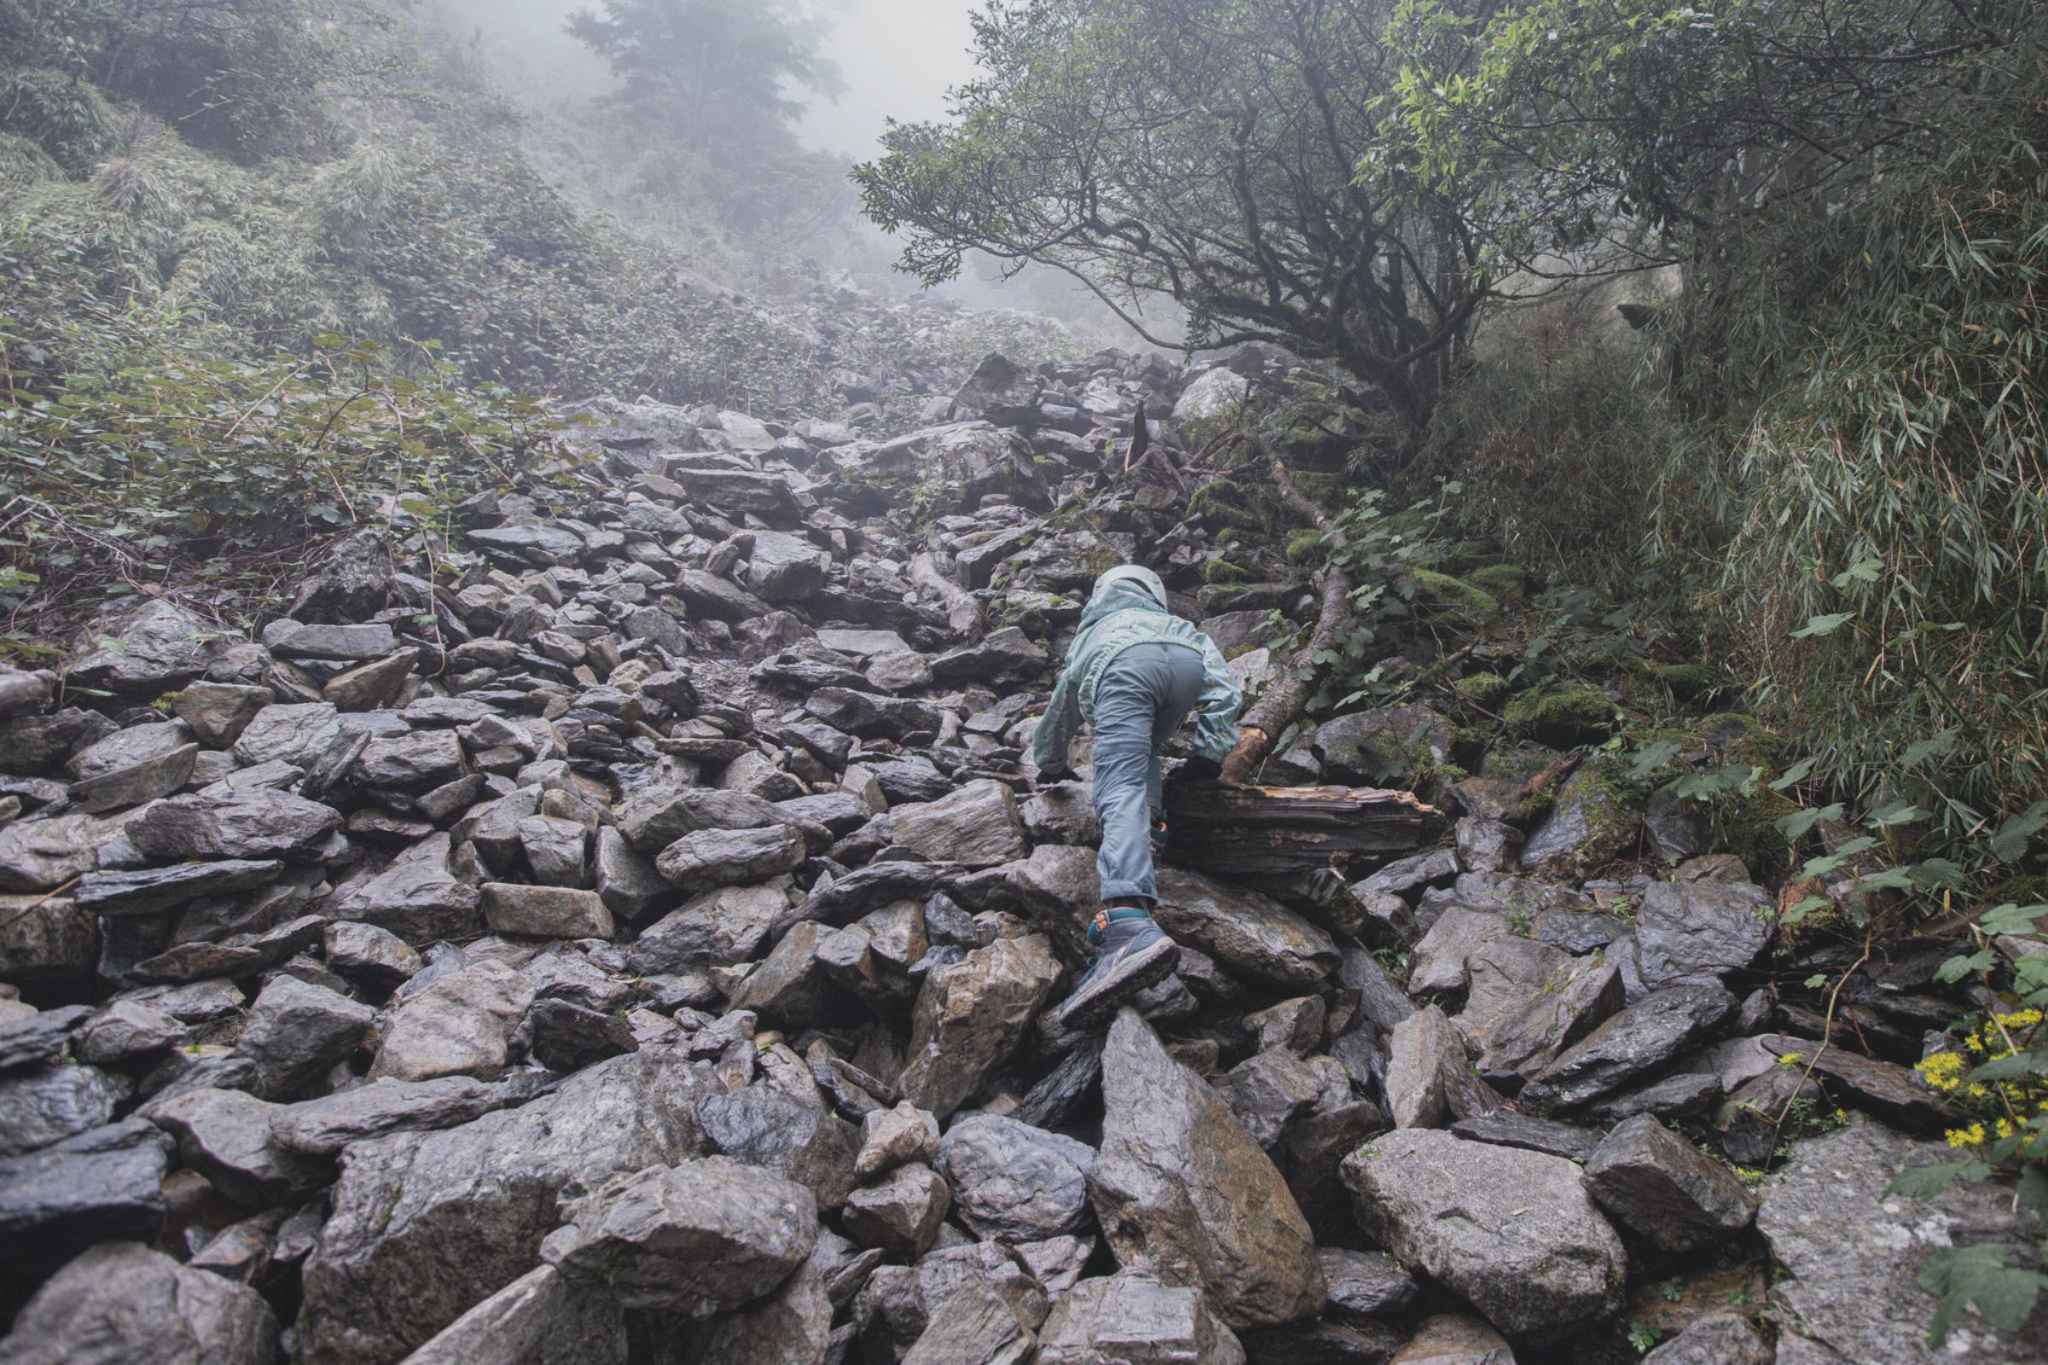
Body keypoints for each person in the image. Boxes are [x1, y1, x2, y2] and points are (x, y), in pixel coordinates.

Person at [1032, 564, 1244, 1029]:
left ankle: (1126, 917)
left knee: (1120, 781)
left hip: (1124, 666)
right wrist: (1209, 753)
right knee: (1144, 751)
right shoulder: (1177, 624)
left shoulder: (1097, 629)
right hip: (1184, 667)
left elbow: (1062, 707)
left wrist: (1049, 762)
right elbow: (1225, 687)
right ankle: (1148, 836)